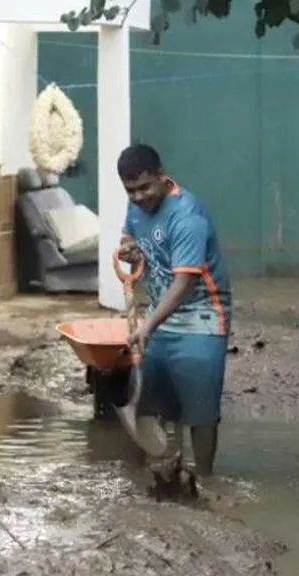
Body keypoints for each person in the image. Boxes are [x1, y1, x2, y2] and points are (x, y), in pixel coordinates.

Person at [116, 143, 231, 478]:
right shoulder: (136, 206)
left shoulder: (188, 217)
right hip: (160, 315)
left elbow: (183, 285)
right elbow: (129, 239)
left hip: (202, 319)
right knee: (156, 404)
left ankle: (206, 477)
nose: (138, 197)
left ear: (162, 175)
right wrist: (130, 251)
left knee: (200, 411)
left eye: (144, 187)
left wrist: (147, 325)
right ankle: (171, 469)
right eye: (130, 190)